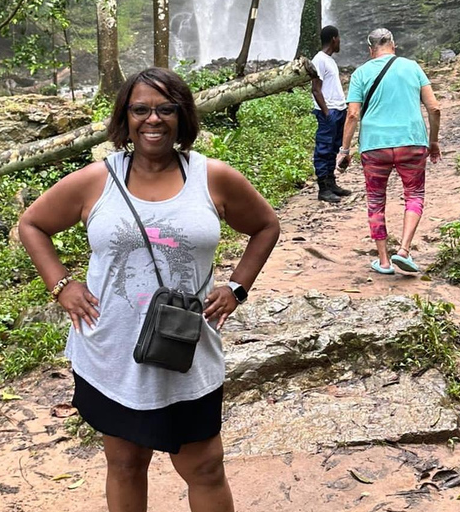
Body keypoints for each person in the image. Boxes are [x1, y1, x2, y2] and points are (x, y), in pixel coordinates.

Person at [18, 67, 280, 512]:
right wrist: (61, 285)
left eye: (165, 109)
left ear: (182, 116)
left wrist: (237, 288)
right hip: (111, 349)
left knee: (205, 467)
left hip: (186, 349)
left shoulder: (211, 177)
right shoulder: (96, 180)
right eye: (141, 109)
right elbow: (32, 224)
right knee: (124, 463)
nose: (153, 120)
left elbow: (266, 225)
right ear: (126, 117)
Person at [336, 28, 441, 275]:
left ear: (369, 49)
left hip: (375, 146)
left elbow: (352, 114)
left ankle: (383, 261)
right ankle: (403, 251)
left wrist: (344, 150)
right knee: (414, 195)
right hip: (412, 142)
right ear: (393, 44)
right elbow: (434, 108)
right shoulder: (412, 67)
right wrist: (433, 142)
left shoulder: (360, 73)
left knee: (375, 201)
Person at [311, 25, 351, 203]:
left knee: (333, 149)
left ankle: (331, 183)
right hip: (329, 112)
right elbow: (316, 89)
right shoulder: (319, 60)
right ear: (334, 39)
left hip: (338, 110)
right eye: (339, 38)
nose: (340, 42)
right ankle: (323, 189)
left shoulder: (329, 60)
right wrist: (327, 113)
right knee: (324, 149)